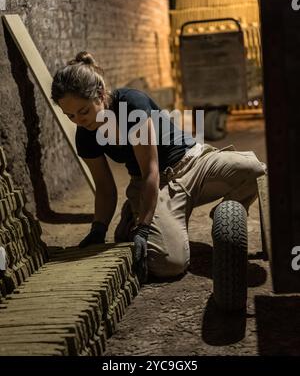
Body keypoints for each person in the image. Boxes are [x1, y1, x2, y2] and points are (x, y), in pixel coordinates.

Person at [51, 51, 266, 284]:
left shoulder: (131, 105)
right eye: (70, 115)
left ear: (101, 95)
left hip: (195, 164)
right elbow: (104, 187)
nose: (79, 120)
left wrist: (144, 229)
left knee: (255, 170)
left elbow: (150, 168)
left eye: (83, 111)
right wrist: (98, 230)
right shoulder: (86, 136)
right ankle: (134, 215)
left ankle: (218, 219)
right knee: (168, 264)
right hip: (159, 187)